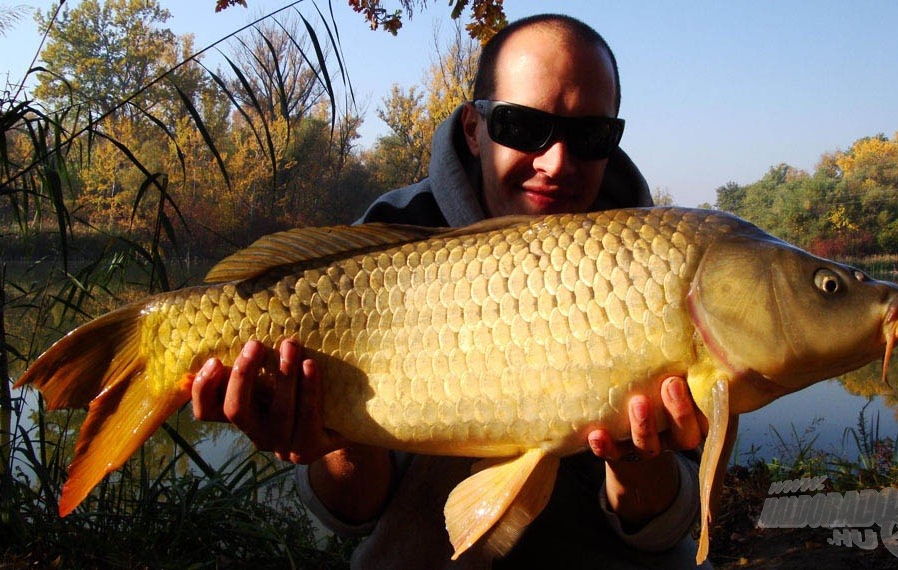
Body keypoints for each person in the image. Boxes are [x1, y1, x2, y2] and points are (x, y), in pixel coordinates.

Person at [193, 14, 711, 569]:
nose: (556, 162)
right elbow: (353, 510)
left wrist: (637, 461)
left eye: (591, 136)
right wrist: (338, 436)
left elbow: (664, 530)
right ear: (473, 129)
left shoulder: (666, 267)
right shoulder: (388, 234)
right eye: (521, 125)